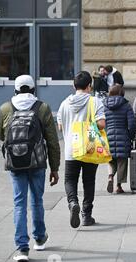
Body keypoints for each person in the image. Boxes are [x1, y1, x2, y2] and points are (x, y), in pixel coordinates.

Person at [0, 75, 61, 262]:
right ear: (34, 89)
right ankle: (40, 238)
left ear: (15, 90)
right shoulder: (42, 108)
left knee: (19, 203)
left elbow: (2, 136)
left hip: (15, 163)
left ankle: (22, 248)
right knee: (37, 200)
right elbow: (52, 141)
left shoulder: (5, 108)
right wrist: (55, 168)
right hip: (37, 162)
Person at [57, 71, 106, 228]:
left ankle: (72, 202)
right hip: (90, 146)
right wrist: (88, 125)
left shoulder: (64, 104)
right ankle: (86, 215)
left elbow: (60, 126)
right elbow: (102, 124)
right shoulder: (94, 101)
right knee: (89, 181)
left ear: (73, 85)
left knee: (70, 179)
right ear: (89, 86)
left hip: (72, 147)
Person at [103, 84, 135, 194]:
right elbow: (131, 124)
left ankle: (110, 176)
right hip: (123, 135)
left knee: (111, 160)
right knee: (122, 162)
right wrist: (131, 136)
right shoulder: (126, 105)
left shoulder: (104, 105)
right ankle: (118, 186)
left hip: (108, 136)